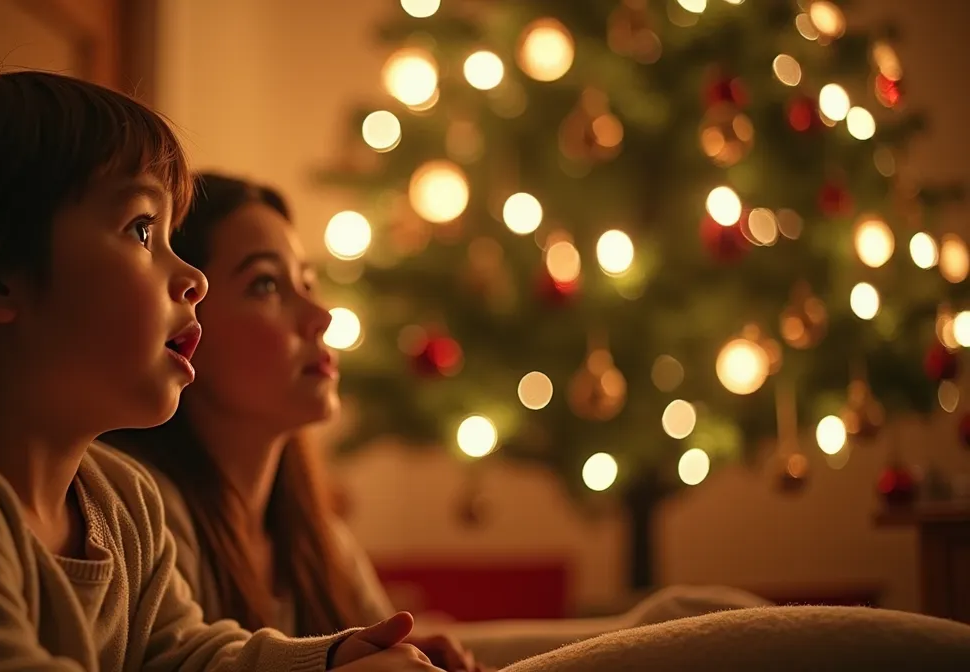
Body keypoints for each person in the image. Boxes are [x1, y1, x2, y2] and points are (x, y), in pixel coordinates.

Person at [0, 70, 443, 671]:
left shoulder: (121, 502)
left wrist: (329, 659)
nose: (191, 276)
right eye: (141, 230)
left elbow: (190, 655)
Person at [100, 173, 771, 670]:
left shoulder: (316, 537)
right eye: (267, 285)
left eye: (307, 281)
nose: (320, 315)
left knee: (684, 620)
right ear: (185, 322)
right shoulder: (147, 516)